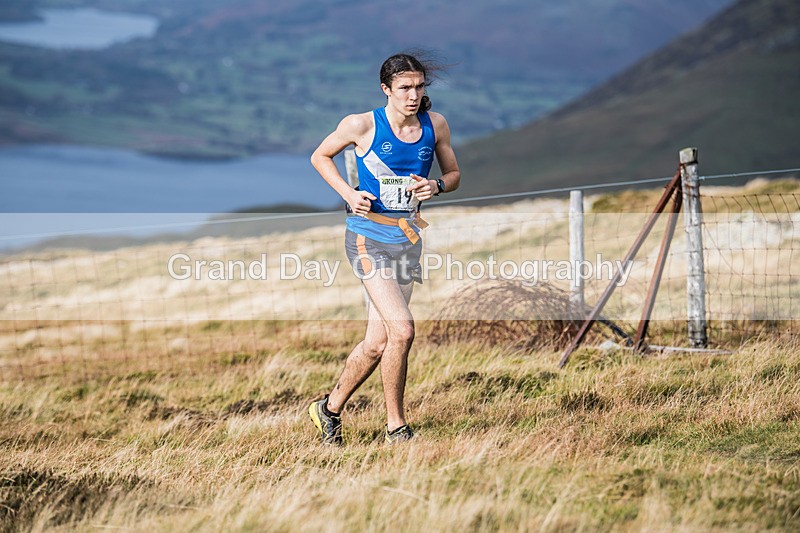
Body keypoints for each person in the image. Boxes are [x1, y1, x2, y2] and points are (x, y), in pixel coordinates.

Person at [308, 52, 461, 445]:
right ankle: (397, 426)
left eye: (419, 87)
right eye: (405, 88)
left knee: (378, 342)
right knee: (404, 330)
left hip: (408, 239)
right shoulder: (360, 125)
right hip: (366, 238)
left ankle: (328, 409)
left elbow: (454, 175)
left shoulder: (435, 124)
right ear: (386, 90)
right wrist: (347, 192)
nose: (413, 95)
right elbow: (320, 155)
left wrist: (436, 187)